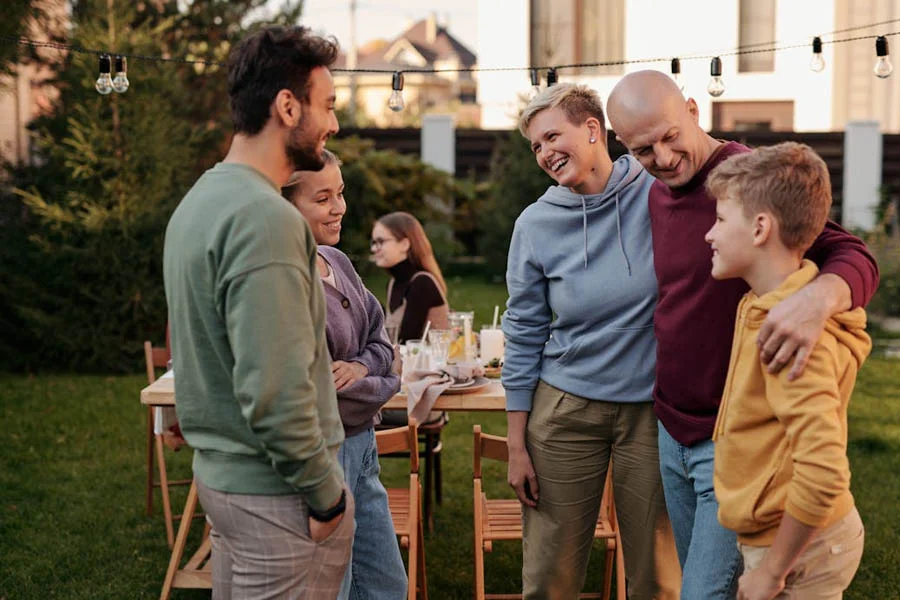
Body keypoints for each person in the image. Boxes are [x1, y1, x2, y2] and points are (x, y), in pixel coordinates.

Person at [606, 70, 879, 599]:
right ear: (623, 145)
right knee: (704, 585)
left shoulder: (743, 181)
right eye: (643, 150)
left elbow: (853, 253)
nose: (662, 159)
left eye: (668, 137)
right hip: (672, 427)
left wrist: (815, 300)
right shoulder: (656, 189)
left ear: (691, 108)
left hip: (733, 440)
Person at [163, 26, 353, 598]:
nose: (334, 125)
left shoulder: (202, 201)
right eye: (327, 106)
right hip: (279, 501)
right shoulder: (265, 220)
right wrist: (327, 495)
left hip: (230, 485)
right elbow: (274, 389)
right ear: (287, 106)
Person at [503, 82, 678, 599]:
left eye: (552, 135)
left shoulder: (657, 191)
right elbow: (524, 330)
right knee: (548, 575)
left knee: (658, 574)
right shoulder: (535, 225)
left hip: (651, 410)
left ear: (593, 129)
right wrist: (516, 444)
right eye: (535, 145)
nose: (544, 152)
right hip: (564, 410)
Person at [705, 142, 870, 600]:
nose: (709, 235)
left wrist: (771, 572)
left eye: (720, 220)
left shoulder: (789, 338)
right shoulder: (765, 307)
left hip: (801, 551)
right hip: (791, 537)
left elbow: (823, 472)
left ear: (760, 228)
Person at [282, 150, 408, 599]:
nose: (340, 208)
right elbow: (319, 394)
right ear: (285, 207)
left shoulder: (337, 263)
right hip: (324, 454)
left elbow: (381, 344)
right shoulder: (284, 281)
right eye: (323, 199)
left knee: (387, 586)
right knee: (335, 588)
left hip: (363, 449)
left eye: (340, 193)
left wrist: (361, 369)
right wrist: (384, 384)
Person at [371, 211, 449, 344]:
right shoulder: (392, 284)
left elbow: (406, 341)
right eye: (373, 242)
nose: (374, 248)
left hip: (433, 364)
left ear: (405, 244)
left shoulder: (422, 283)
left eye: (380, 241)